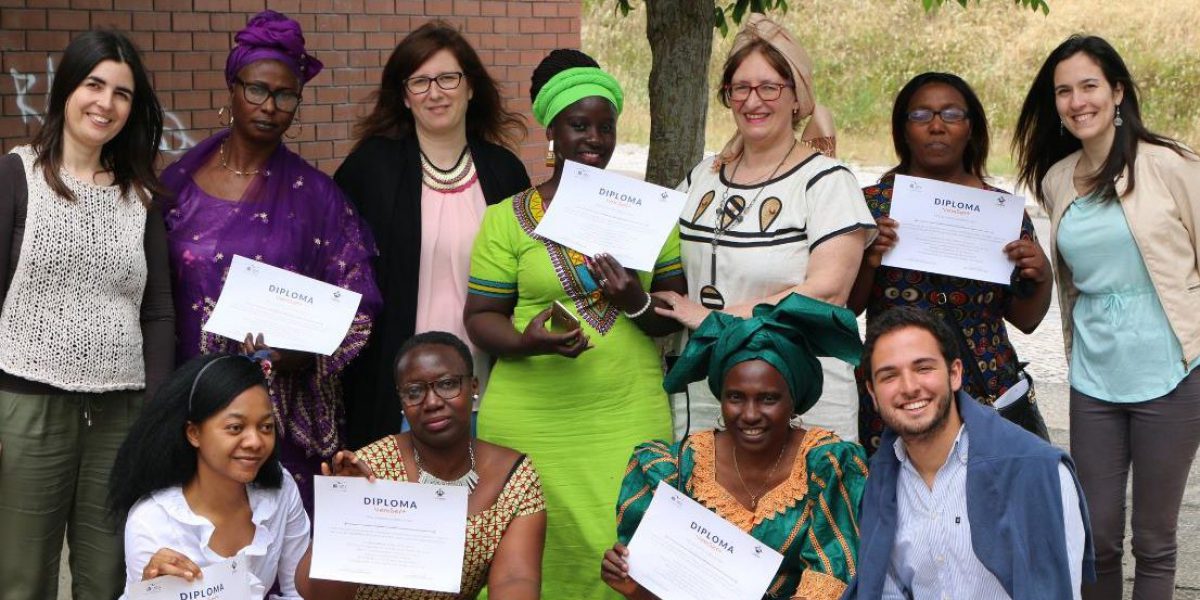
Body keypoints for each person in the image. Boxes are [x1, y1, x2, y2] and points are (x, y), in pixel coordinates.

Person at [463, 48, 686, 598]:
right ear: (553, 132)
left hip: (625, 410)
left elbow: (674, 315)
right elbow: (479, 316)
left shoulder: (651, 211)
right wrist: (524, 342)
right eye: (578, 125)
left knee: (623, 532)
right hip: (529, 413)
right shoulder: (506, 219)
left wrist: (635, 299)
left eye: (605, 127)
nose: (594, 139)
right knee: (532, 538)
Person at [160, 10, 381, 514]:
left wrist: (308, 353)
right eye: (257, 89)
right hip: (191, 402)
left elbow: (359, 301)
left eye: (286, 95)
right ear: (232, 88)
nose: (270, 106)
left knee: (280, 553)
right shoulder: (175, 187)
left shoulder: (319, 199)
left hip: (279, 414)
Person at [1013, 34, 1200, 600]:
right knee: (1096, 538)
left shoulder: (1171, 166)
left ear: (1117, 91)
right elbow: (1072, 278)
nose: (1077, 101)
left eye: (1089, 86)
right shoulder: (1057, 180)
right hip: (1094, 377)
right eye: (1064, 92)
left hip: (1171, 372)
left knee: (1155, 541)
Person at [0, 30, 173, 599]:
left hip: (119, 416)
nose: (106, 102)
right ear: (66, 89)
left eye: (122, 93)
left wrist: (154, 413)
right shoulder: (16, 176)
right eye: (93, 84)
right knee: (22, 576)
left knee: (107, 579)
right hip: (26, 407)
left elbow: (157, 311)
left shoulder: (141, 196)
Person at [654, 14, 875, 441]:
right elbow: (649, 245)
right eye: (741, 88)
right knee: (702, 504)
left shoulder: (827, 181)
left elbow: (826, 292)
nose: (753, 101)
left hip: (801, 395)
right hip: (708, 389)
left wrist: (711, 319)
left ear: (797, 97)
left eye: (770, 87)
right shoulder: (702, 176)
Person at [336, 21, 531, 448]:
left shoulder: (505, 172)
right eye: (420, 82)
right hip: (399, 396)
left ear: (470, 87)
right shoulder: (370, 170)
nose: (435, 93)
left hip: (492, 391)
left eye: (447, 78)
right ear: (404, 96)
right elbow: (335, 270)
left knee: (485, 511)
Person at [602, 293, 868, 600]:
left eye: (768, 398)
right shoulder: (676, 468)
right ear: (720, 397)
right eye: (736, 397)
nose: (751, 414)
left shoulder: (827, 465)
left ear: (794, 399)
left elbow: (832, 578)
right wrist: (634, 586)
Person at [847, 72, 1051, 452]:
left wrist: (1041, 274)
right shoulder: (871, 206)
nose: (937, 126)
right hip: (897, 390)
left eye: (951, 114)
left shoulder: (1000, 211)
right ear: (903, 130)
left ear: (970, 128)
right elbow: (847, 308)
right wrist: (870, 258)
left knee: (984, 500)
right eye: (921, 115)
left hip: (984, 388)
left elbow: (1026, 320)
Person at [845, 306, 1093, 599]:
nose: (909, 387)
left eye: (923, 368)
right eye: (889, 376)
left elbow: (1058, 590)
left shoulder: (1039, 472)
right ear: (873, 394)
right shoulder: (878, 482)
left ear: (954, 374)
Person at [296, 331, 546, 599]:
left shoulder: (514, 478)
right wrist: (346, 512)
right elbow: (316, 593)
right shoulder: (368, 468)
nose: (433, 402)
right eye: (414, 391)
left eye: (448, 384)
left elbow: (514, 580)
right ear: (402, 401)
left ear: (474, 386)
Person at [109, 353, 309, 599]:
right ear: (194, 433)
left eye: (266, 427)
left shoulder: (281, 489)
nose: (255, 441)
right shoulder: (152, 520)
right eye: (235, 428)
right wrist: (152, 592)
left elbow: (299, 593)